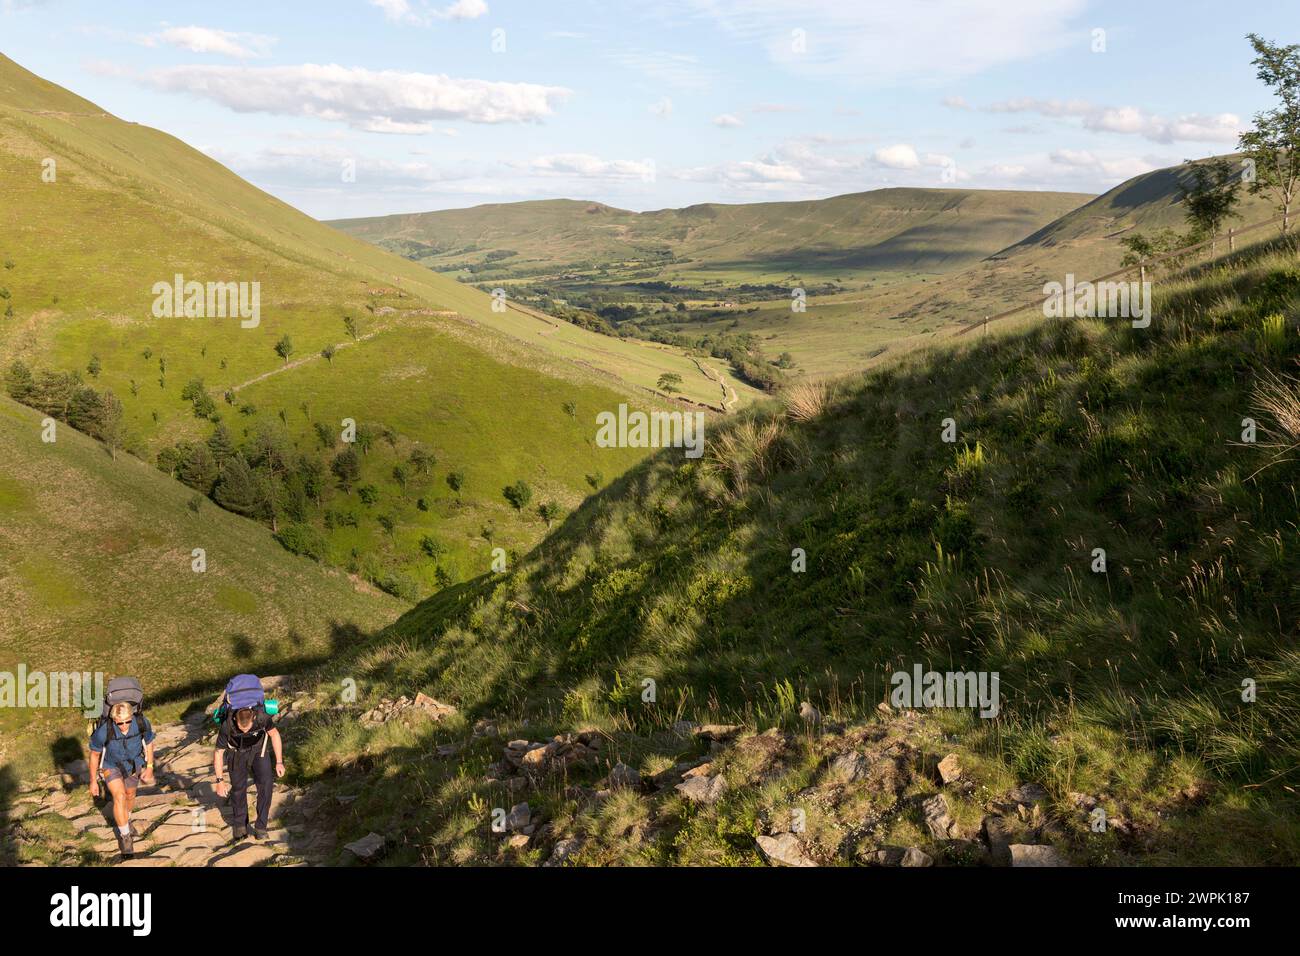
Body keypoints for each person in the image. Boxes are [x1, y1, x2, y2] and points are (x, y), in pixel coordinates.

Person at [88, 700, 156, 858]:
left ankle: (128, 819)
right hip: (110, 765)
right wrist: (92, 781)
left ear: (132, 717)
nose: (124, 726)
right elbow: (94, 755)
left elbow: (150, 742)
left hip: (133, 763)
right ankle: (125, 837)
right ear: (113, 719)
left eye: (127, 721)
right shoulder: (104, 731)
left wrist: (150, 767)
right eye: (120, 723)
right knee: (119, 796)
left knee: (130, 795)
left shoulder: (141, 722)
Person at [213, 706, 284, 840]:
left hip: (259, 751)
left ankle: (261, 827)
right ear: (235, 719)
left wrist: (279, 762)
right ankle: (240, 825)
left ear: (254, 718)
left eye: (247, 728)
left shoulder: (262, 718)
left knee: (266, 786)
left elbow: (274, 734)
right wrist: (219, 781)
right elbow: (218, 753)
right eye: (241, 728)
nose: (244, 730)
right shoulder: (227, 725)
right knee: (238, 789)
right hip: (236, 753)